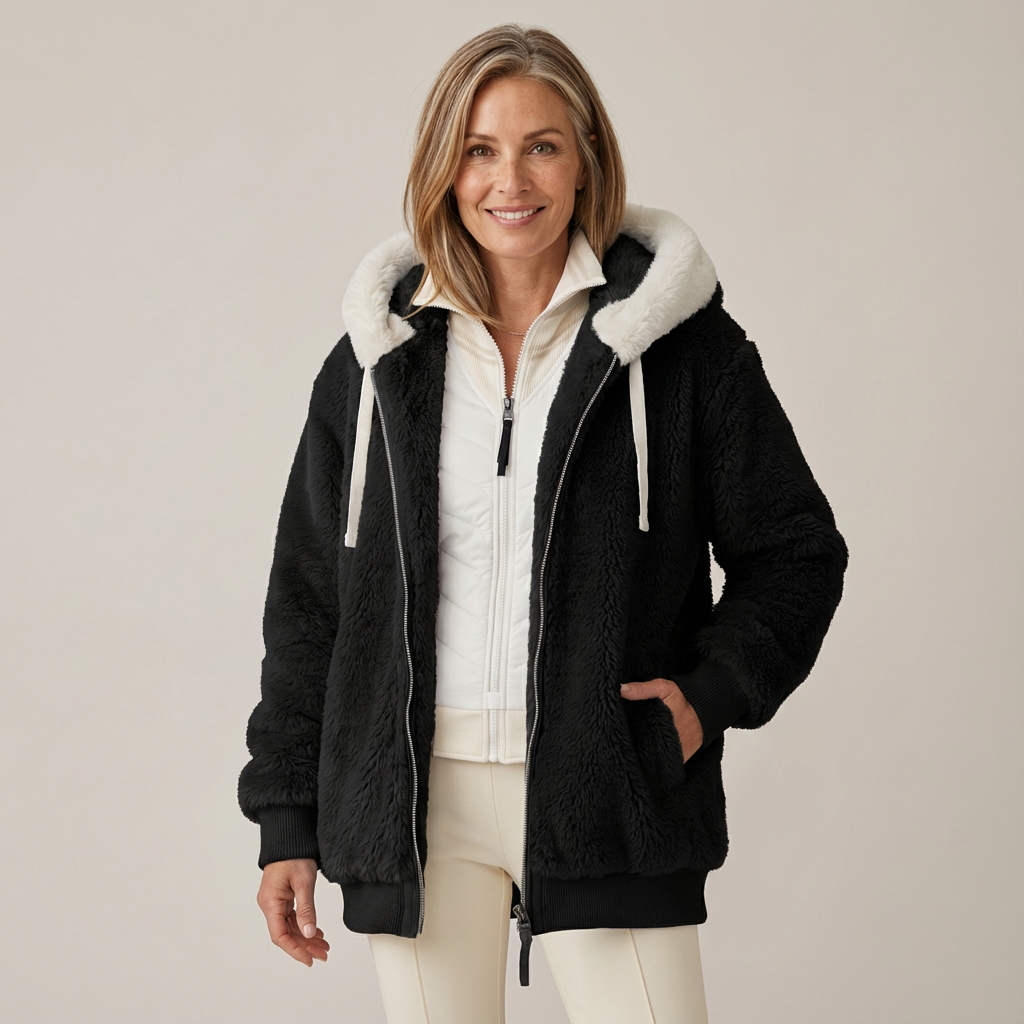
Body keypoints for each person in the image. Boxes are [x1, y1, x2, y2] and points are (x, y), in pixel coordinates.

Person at [238, 23, 848, 1024]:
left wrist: (705, 698)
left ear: (585, 160)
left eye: (542, 146)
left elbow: (795, 553)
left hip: (608, 790)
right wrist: (286, 816)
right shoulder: (377, 359)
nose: (509, 180)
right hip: (416, 804)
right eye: (479, 149)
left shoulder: (683, 349)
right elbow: (310, 600)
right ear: (444, 167)